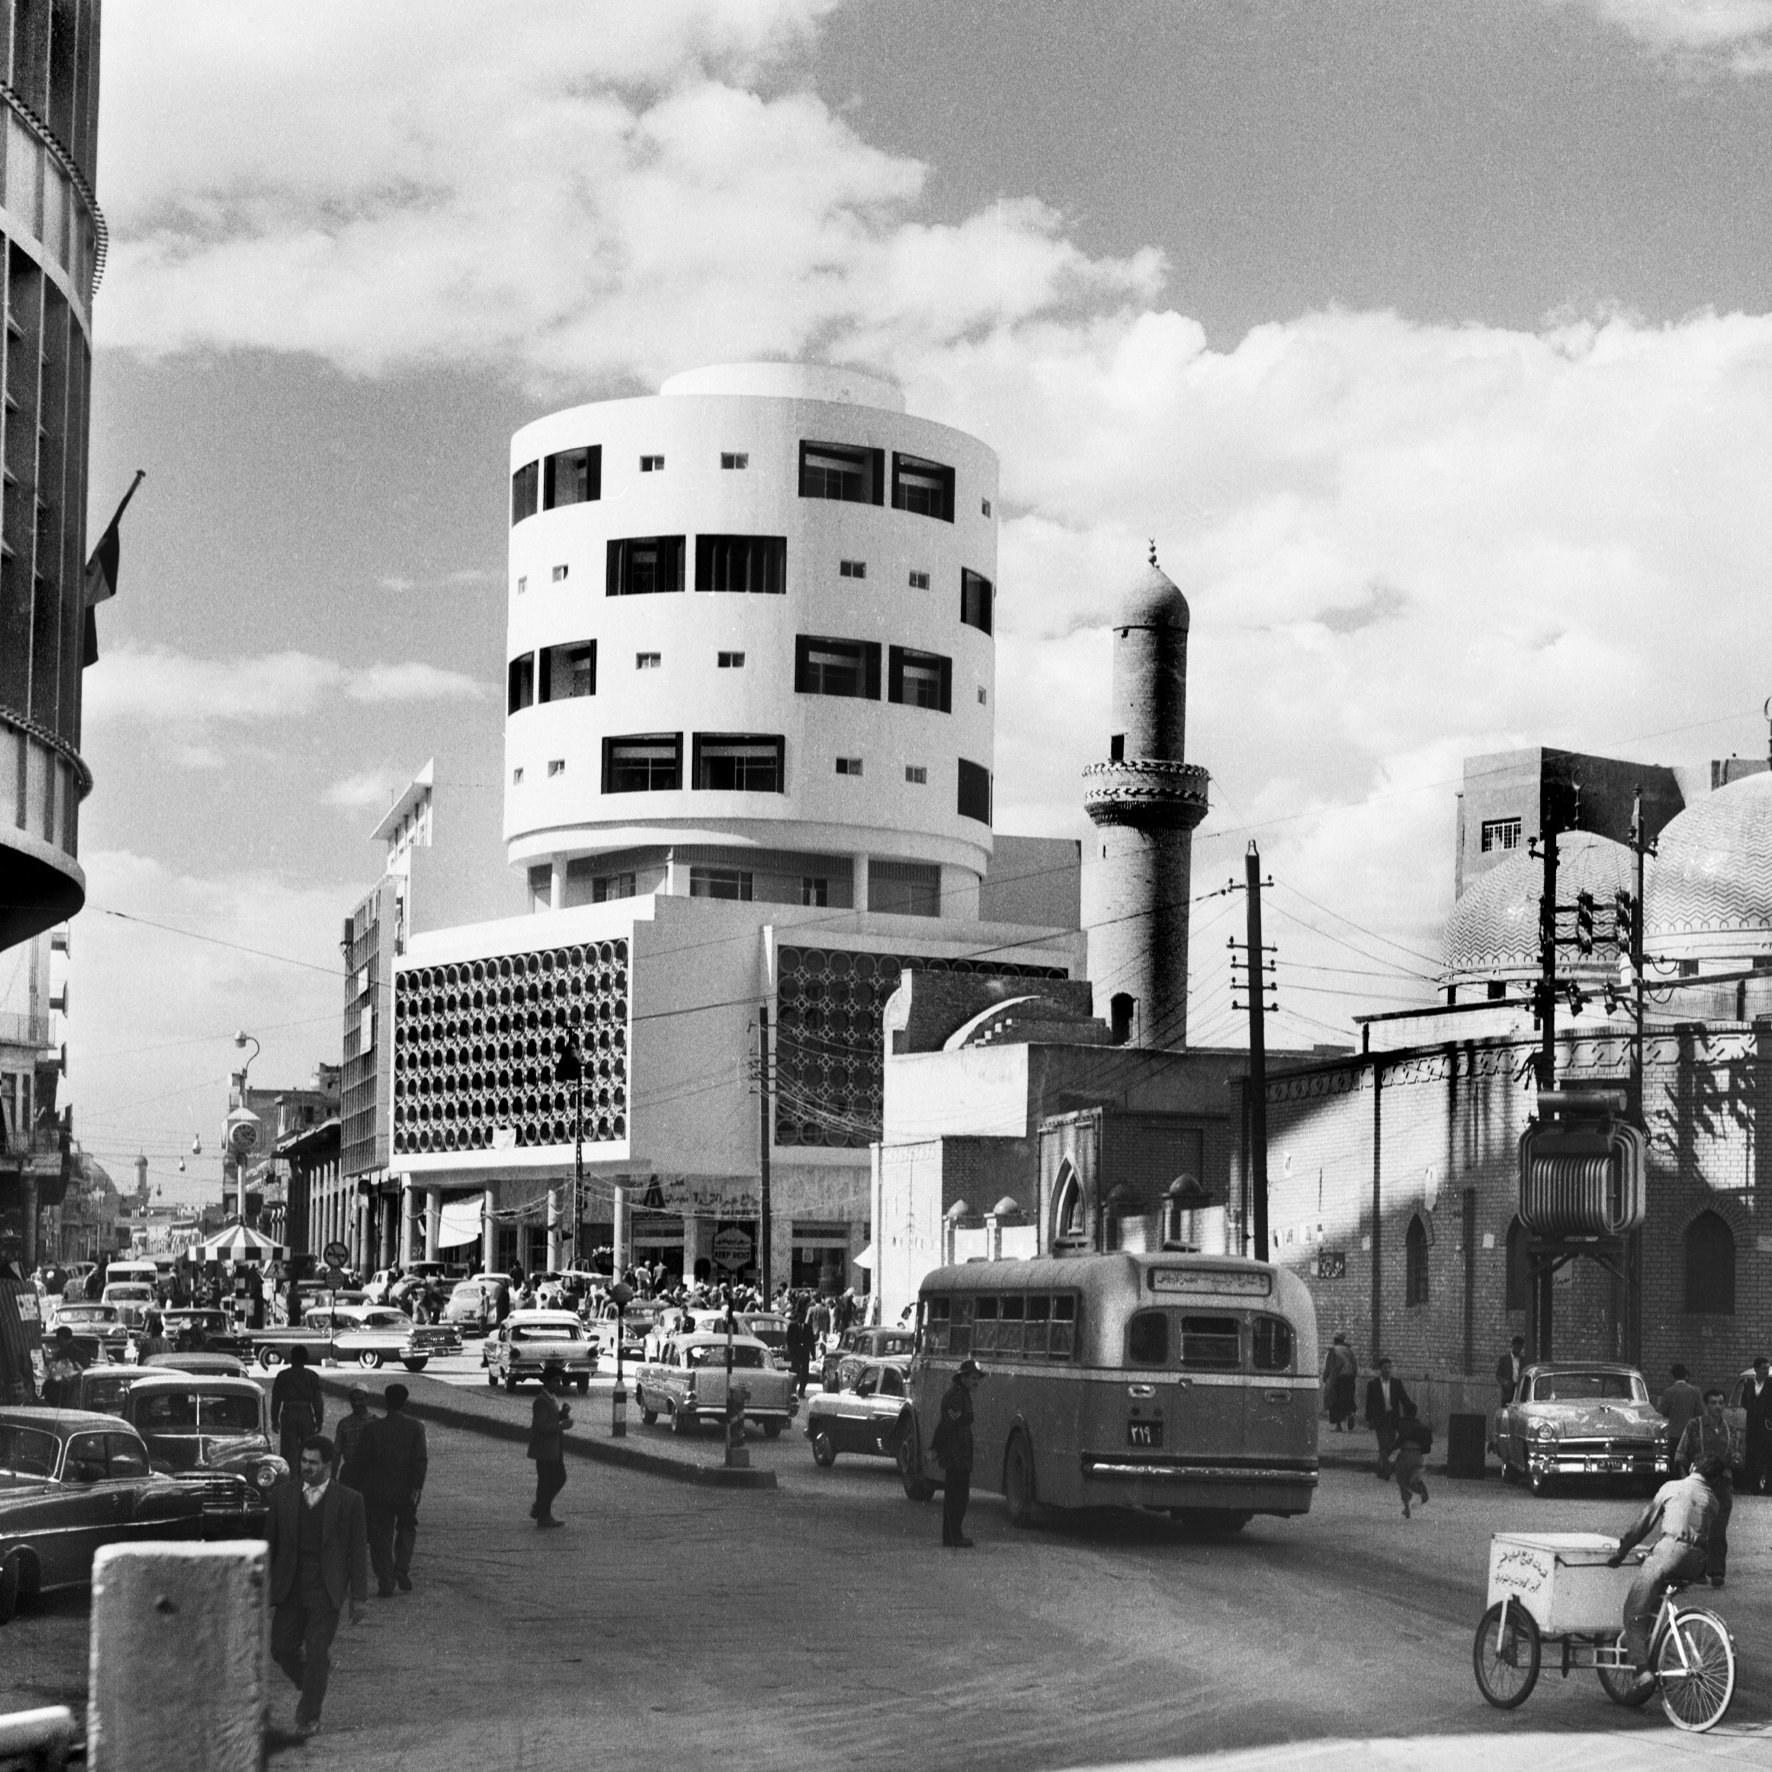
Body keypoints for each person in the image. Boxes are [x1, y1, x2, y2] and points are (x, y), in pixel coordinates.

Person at [265, 1435, 368, 1740]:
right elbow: (269, 1545)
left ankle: (308, 1716)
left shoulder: (349, 1501)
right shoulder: (283, 1497)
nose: (306, 1467)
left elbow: (356, 1552)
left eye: (313, 1462)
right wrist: (257, 1583)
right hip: (291, 1587)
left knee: (317, 1648)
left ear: (328, 1465)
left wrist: (359, 1597)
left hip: (326, 1590)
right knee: (281, 1648)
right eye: (303, 1461)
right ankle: (312, 1682)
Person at [1607, 1456, 1723, 1675]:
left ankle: (1641, 1671)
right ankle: (1652, 1648)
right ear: (1714, 1479)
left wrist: (1621, 1552)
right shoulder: (1713, 1501)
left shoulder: (1671, 1487)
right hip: (1696, 1562)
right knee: (1656, 1597)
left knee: (1633, 1610)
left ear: (1691, 1467)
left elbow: (1643, 1524)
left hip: (1670, 1553)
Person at [355, 1382, 428, 1595]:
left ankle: (386, 1581)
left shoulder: (372, 1429)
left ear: (386, 1402)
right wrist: (417, 1487)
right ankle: (402, 1567)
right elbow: (420, 1460)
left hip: (377, 1492)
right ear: (405, 1402)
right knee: (407, 1527)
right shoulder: (415, 1428)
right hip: (406, 1490)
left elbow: (361, 1461)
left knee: (380, 1537)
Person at [1675, 1387, 1741, 1587]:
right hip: (1700, 1483)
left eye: (1721, 1403)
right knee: (1700, 1529)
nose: (1718, 1407)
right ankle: (1698, 1570)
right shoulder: (1694, 1426)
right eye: (1713, 1403)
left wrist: (1737, 1459)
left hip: (1723, 1484)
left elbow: (1737, 1456)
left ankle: (1717, 1572)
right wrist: (1685, 1481)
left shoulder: (1730, 1429)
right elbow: (1680, 1455)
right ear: (1706, 1405)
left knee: (1718, 1529)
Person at [932, 1359, 984, 1548]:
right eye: (973, 1378)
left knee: (960, 1496)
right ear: (963, 1377)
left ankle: (955, 1533)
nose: (976, 1382)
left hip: (961, 1453)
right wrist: (936, 1447)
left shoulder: (963, 1395)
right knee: (955, 1497)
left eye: (977, 1378)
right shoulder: (955, 1397)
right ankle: (952, 1536)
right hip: (955, 1453)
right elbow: (947, 1425)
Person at [528, 1360, 571, 1528]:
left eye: (559, 1380)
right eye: (555, 1381)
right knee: (551, 1480)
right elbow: (541, 1426)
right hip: (544, 1448)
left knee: (554, 1478)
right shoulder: (541, 1401)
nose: (558, 1384)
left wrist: (563, 1413)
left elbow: (551, 1418)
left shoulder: (552, 1398)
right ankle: (542, 1512)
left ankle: (541, 1510)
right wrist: (561, 1426)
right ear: (546, 1382)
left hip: (554, 1446)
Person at [271, 1346, 326, 1470]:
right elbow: (318, 1401)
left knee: (289, 1450)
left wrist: (274, 1419)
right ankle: (306, 1475)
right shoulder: (312, 1376)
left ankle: (293, 1477)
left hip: (289, 1413)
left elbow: (276, 1400)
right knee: (308, 1449)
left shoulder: (283, 1376)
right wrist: (319, 1419)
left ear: (292, 1358)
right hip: (305, 1413)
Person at [1365, 1357, 1410, 1479]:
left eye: (1389, 1367)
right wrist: (1369, 1419)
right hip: (1380, 1419)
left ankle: (1381, 1468)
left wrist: (1410, 1409)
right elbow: (1369, 1403)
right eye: (1385, 1367)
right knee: (1383, 1445)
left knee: (1390, 1445)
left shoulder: (1396, 1383)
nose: (1387, 1370)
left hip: (1393, 1418)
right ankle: (1386, 1470)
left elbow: (1403, 1398)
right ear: (1380, 1369)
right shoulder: (1373, 1384)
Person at [1392, 1401, 1432, 1518]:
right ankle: (1421, 1489)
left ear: (1404, 1412)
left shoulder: (1402, 1423)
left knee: (1402, 1481)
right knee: (1413, 1479)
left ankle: (1406, 1507)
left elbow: (1399, 1440)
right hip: (1418, 1456)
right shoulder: (1421, 1426)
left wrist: (1390, 1450)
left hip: (1405, 1454)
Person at [332, 1385, 373, 1489]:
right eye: (354, 1400)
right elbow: (337, 1452)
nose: (357, 1403)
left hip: (369, 1472)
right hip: (349, 1472)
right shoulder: (344, 1423)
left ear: (367, 1399)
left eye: (360, 1399)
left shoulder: (375, 1422)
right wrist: (333, 1476)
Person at [1742, 1355, 1772, 1495]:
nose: (1766, 1371)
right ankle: (1753, 1485)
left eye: (1768, 1368)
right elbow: (1744, 1403)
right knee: (1752, 1456)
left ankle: (1768, 1487)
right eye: (1764, 1368)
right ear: (1756, 1369)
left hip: (1767, 1427)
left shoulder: (1771, 1384)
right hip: (1752, 1427)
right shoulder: (1748, 1384)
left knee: (1767, 1456)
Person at [1656, 1364, 1703, 1446]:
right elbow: (1700, 1411)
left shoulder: (1669, 1392)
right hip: (1691, 1433)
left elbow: (1662, 1410)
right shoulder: (1696, 1391)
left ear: (1673, 1376)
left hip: (1674, 1433)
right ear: (1686, 1376)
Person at [41, 1325, 87, 1406]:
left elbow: (57, 1376)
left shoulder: (61, 1353)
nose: (56, 1341)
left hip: (62, 1392)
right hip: (78, 1392)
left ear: (61, 1338)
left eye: (57, 1339)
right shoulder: (82, 1352)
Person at [1321, 1332, 1357, 1431]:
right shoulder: (1350, 1351)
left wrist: (1325, 1378)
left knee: (1335, 1402)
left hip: (1336, 1379)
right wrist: (1353, 1377)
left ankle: (1339, 1426)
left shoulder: (1332, 1351)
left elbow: (1327, 1366)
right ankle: (1350, 1414)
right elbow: (1354, 1365)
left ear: (1335, 1340)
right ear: (1343, 1340)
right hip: (1349, 1379)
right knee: (1348, 1399)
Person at [1495, 1336, 1527, 1406]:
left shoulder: (1524, 1360)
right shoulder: (1504, 1359)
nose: (1517, 1350)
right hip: (1508, 1390)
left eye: (1520, 1348)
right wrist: (1504, 1382)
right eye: (1516, 1347)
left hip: (1519, 1389)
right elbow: (1498, 1375)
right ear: (1512, 1346)